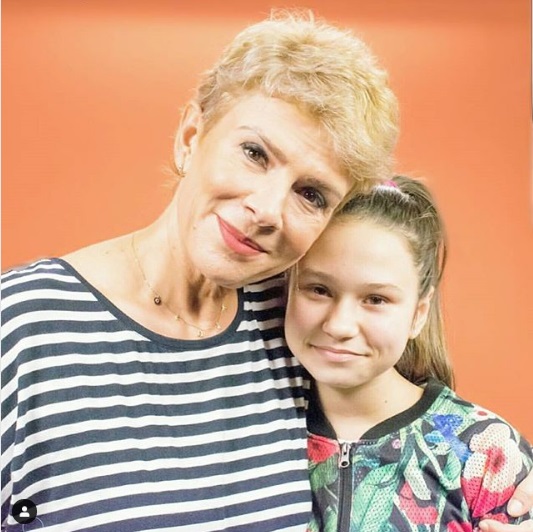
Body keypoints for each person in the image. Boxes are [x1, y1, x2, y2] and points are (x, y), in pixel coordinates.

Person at [1, 9, 531, 532]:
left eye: (311, 194)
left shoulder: (292, 322)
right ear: (190, 136)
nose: (268, 210)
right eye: (254, 153)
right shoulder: (20, 326)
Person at [284, 175, 533, 531]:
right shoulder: (252, 429)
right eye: (319, 289)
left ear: (418, 313)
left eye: (376, 299)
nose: (339, 325)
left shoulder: (486, 452)